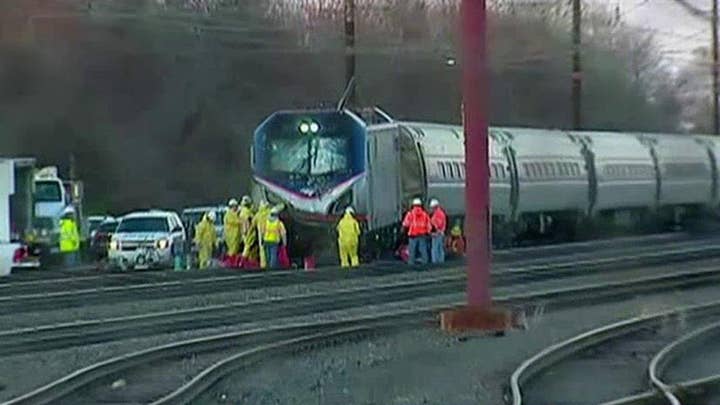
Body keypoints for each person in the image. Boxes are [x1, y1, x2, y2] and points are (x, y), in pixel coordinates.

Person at [402, 198, 431, 265]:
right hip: (422, 234)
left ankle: (411, 264)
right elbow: (429, 225)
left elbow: (406, 224)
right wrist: (428, 232)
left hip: (413, 235)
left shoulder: (410, 214)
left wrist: (404, 230)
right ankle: (425, 264)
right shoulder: (425, 214)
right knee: (423, 250)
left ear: (413, 205)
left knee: (412, 251)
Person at [243, 200, 270, 268]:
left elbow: (252, 225)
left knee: (262, 250)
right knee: (270, 250)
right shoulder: (269, 213)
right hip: (271, 233)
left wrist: (248, 233)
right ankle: (270, 264)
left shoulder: (258, 214)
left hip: (261, 234)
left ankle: (263, 265)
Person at [223, 198, 242, 266]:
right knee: (232, 250)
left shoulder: (233, 213)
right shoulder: (229, 214)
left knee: (234, 250)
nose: (236, 208)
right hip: (231, 236)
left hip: (235, 235)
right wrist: (242, 221)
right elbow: (235, 221)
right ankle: (230, 263)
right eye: (235, 206)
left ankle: (232, 263)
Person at [429, 198, 447, 264]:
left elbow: (438, 224)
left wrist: (434, 229)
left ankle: (436, 262)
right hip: (440, 233)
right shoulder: (440, 213)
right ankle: (440, 261)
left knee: (435, 249)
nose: (431, 209)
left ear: (434, 207)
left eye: (431, 208)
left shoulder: (438, 214)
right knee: (440, 248)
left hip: (437, 234)